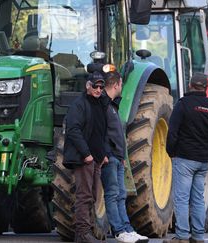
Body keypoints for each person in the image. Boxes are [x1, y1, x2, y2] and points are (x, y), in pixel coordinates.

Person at [164, 72, 208, 243]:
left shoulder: (183, 105)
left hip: (184, 158)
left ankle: (181, 235)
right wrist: (205, 151)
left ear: (190, 85)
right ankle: (198, 235)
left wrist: (171, 153)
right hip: (203, 160)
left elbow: (172, 132)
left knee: (182, 198)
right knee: (197, 198)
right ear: (206, 87)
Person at [101, 71, 148, 243]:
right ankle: (119, 231)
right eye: (121, 84)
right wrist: (105, 154)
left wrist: (121, 156)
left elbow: (116, 134)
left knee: (121, 194)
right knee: (113, 194)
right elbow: (98, 132)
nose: (122, 87)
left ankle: (127, 229)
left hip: (117, 158)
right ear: (116, 84)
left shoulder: (113, 106)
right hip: (109, 157)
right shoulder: (103, 106)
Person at [63, 71, 107, 243]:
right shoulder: (79, 104)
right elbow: (73, 130)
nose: (98, 89)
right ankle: (82, 233)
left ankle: (85, 232)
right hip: (84, 158)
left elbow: (100, 131)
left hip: (96, 159)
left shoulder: (100, 104)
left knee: (94, 196)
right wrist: (86, 154)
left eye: (101, 87)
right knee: (84, 196)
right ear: (87, 86)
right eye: (95, 86)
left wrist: (102, 155)